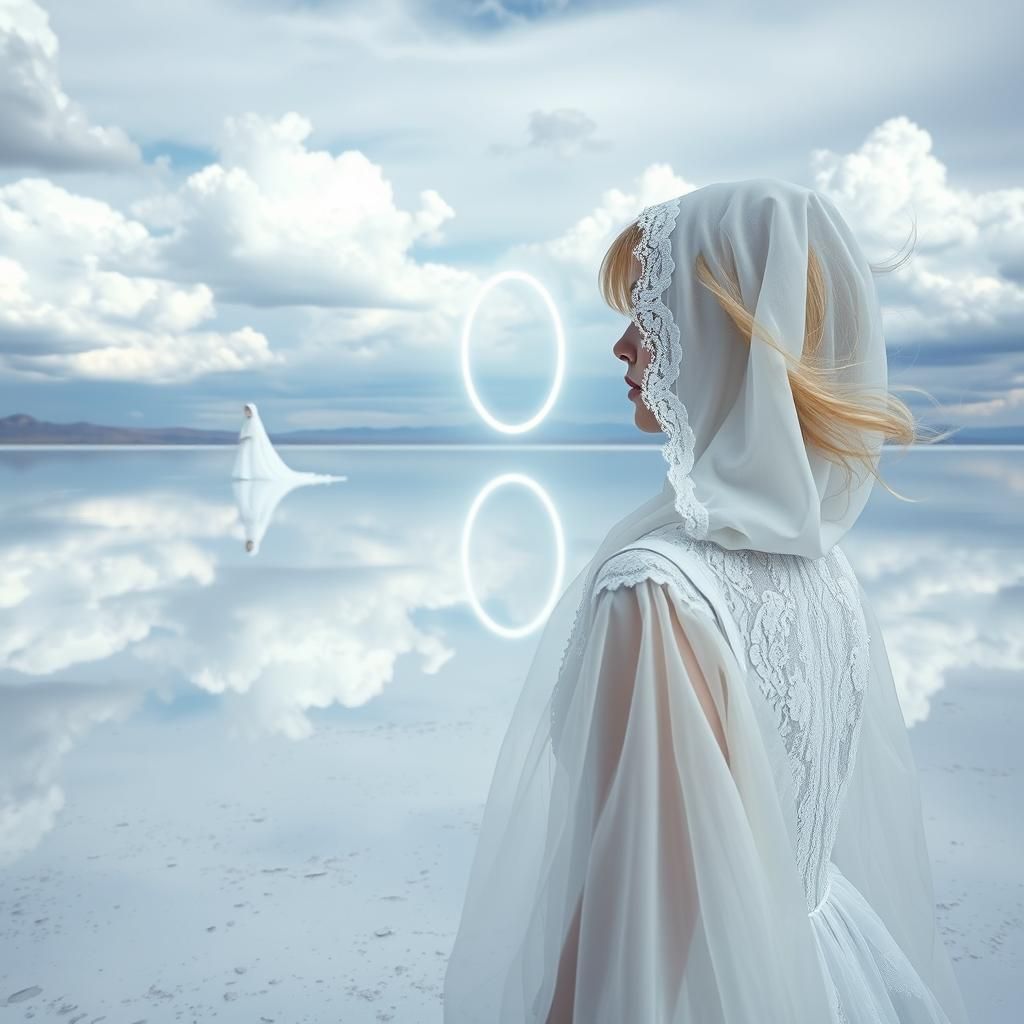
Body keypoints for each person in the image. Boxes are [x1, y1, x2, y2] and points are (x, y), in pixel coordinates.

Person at [442, 179, 970, 1023]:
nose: (621, 345)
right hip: (829, 970)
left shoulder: (655, 588)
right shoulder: (824, 567)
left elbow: (643, 913)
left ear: (725, 334)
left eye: (650, 311)